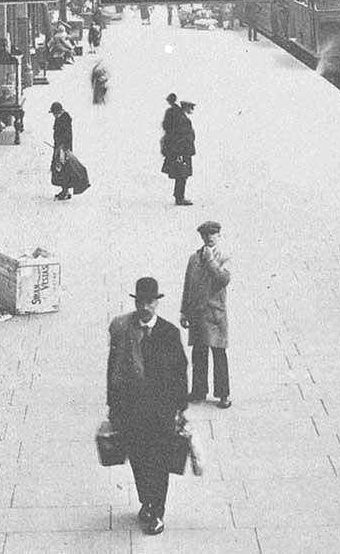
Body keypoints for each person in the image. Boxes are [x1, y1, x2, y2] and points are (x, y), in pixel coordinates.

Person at [107, 277, 188, 536]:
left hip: (161, 412)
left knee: (160, 462)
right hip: (132, 410)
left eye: (150, 302)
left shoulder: (169, 332)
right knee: (138, 460)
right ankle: (146, 501)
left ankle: (157, 511)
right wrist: (113, 404)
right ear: (136, 302)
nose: (145, 307)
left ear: (156, 303)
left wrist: (180, 407)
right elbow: (113, 369)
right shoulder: (123, 330)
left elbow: (180, 371)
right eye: (141, 302)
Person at [180, 221, 232, 409]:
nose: (209, 237)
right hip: (197, 312)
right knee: (199, 353)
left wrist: (211, 261)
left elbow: (223, 279)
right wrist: (184, 311)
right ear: (201, 237)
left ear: (219, 236)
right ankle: (198, 390)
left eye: (213, 233)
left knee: (219, 354)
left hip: (215, 313)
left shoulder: (224, 257)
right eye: (206, 234)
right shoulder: (194, 258)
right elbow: (188, 285)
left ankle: (223, 394)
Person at [161, 100, 195, 206]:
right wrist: (179, 153)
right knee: (182, 175)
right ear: (186, 107)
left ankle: (179, 196)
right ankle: (179, 198)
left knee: (182, 175)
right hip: (182, 152)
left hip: (183, 151)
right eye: (191, 107)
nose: (192, 110)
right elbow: (180, 137)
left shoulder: (180, 117)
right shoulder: (182, 119)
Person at [49, 101, 85, 200]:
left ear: (58, 112)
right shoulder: (61, 118)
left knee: (63, 169)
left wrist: (62, 147)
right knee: (61, 169)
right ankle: (65, 190)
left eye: (54, 113)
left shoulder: (64, 120)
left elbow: (66, 136)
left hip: (63, 149)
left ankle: (65, 192)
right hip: (60, 147)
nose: (53, 115)